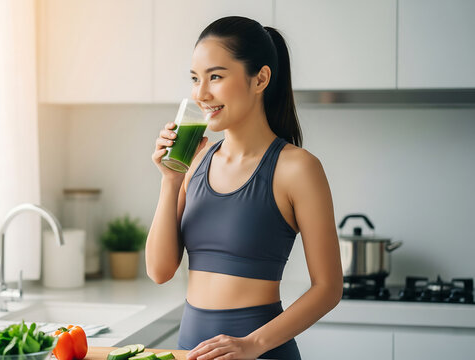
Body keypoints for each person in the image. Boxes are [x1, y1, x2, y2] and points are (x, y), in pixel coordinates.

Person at [146, 16, 343, 359]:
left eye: (216, 77)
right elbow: (159, 271)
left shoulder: (297, 168)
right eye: (195, 79)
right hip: (189, 351)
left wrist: (252, 344)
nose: (201, 93)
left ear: (260, 79)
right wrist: (170, 179)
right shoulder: (195, 161)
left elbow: (328, 288)